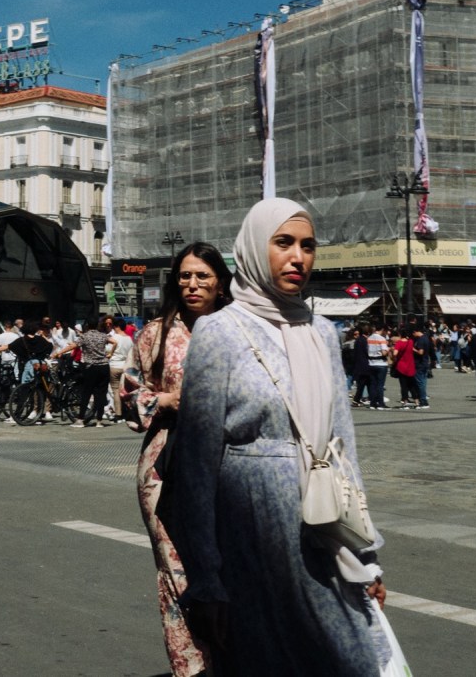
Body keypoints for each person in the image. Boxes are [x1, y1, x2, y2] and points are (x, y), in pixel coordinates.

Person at [169, 199, 392, 676]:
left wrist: (365, 555)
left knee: (354, 661)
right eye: (283, 243)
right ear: (253, 248)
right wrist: (206, 578)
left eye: (308, 246)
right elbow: (195, 465)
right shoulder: (219, 332)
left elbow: (343, 445)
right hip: (250, 534)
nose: (298, 258)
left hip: (323, 527)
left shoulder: (322, 333)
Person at [132, 241, 231, 677]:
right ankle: (191, 669)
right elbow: (130, 395)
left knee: (230, 570)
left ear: (220, 283)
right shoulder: (156, 332)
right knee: (176, 571)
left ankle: (232, 660)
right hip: (165, 463)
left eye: (202, 276)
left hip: (230, 464)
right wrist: (163, 399)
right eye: (185, 276)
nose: (192, 284)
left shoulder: (237, 329)